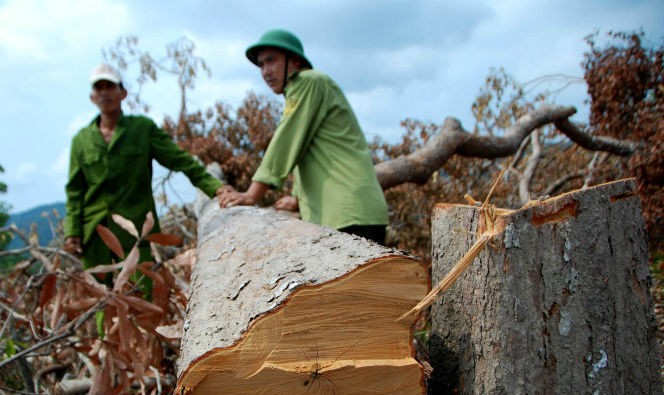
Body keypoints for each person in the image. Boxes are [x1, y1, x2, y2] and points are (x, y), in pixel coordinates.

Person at [63, 64, 227, 294]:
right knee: (102, 300)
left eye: (109, 86)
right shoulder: (81, 141)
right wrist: (73, 232)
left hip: (136, 231)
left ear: (123, 93)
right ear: (92, 97)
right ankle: (105, 333)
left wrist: (216, 188)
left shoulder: (142, 129)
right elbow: (74, 192)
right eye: (98, 88)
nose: (104, 93)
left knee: (142, 296)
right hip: (95, 234)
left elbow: (179, 159)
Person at [218, 29, 388, 244]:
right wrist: (298, 199)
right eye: (261, 64)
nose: (266, 71)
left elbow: (287, 141)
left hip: (349, 214)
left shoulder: (309, 82)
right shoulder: (310, 88)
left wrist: (252, 194)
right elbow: (306, 149)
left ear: (294, 60)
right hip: (346, 214)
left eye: (272, 61)